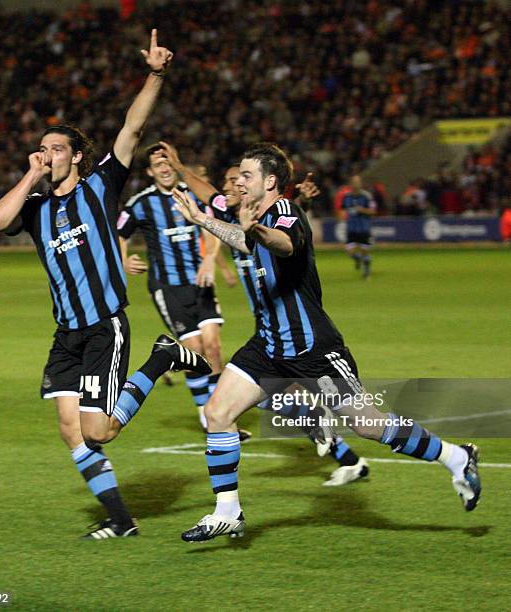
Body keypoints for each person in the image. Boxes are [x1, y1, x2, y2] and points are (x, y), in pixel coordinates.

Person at [172, 142, 481, 542]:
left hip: (313, 349)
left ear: (269, 181)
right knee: (217, 413)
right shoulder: (255, 215)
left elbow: (284, 244)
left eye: (246, 176)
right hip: (268, 345)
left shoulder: (285, 213)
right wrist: (202, 219)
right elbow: (243, 238)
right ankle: (227, 511)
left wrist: (255, 230)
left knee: (367, 425)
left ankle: (456, 457)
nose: (239, 181)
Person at [0, 31, 210, 540]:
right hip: (66, 333)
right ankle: (122, 520)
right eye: (40, 149)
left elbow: (132, 128)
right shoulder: (36, 208)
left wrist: (155, 74)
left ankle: (161, 357)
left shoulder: (99, 186)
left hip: (103, 327)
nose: (46, 155)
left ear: (77, 157)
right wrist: (30, 177)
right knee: (72, 433)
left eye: (56, 149)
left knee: (98, 430)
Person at [159, 141, 369, 486]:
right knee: (257, 394)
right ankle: (347, 456)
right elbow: (210, 198)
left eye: (239, 179)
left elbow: (283, 232)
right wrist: (182, 170)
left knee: (268, 394)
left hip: (289, 319)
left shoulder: (260, 216)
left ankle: (328, 430)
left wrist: (298, 198)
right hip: (268, 319)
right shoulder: (231, 217)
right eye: (229, 181)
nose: (231, 186)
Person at [117, 145, 252, 439]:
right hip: (168, 287)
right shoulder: (140, 203)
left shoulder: (191, 193)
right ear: (150, 172)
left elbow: (213, 225)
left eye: (167, 161)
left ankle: (220, 413)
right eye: (157, 163)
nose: (164, 167)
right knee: (194, 348)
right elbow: (119, 234)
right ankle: (207, 417)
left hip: (200, 281)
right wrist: (124, 259)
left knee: (214, 347)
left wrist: (208, 259)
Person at [341, 175, 376, 279]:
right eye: (353, 182)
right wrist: (342, 217)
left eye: (358, 182)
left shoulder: (367, 196)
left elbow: (373, 211)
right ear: (350, 184)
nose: (355, 184)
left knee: (365, 250)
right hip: (351, 228)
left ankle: (367, 272)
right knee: (349, 251)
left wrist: (362, 210)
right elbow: (343, 209)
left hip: (364, 228)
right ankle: (357, 259)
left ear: (361, 183)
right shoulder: (346, 197)